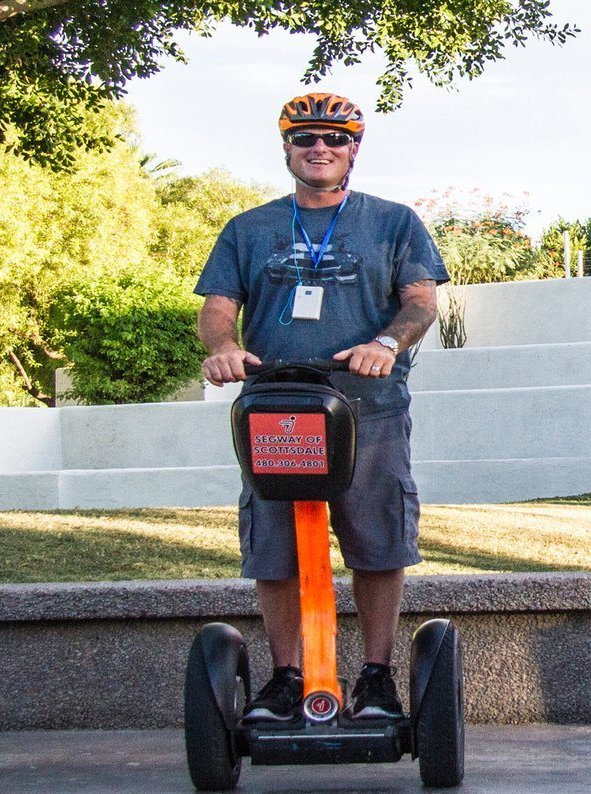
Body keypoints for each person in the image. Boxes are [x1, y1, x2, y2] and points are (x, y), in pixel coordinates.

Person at [194, 92, 445, 723]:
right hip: (276, 407)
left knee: (377, 541)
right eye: (305, 139)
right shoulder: (248, 228)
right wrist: (223, 349)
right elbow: (218, 308)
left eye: (334, 139)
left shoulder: (393, 222)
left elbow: (420, 302)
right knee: (273, 547)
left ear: (353, 150)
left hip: (368, 407)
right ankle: (285, 676)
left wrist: (385, 343)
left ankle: (378, 677)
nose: (320, 148)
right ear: (286, 149)